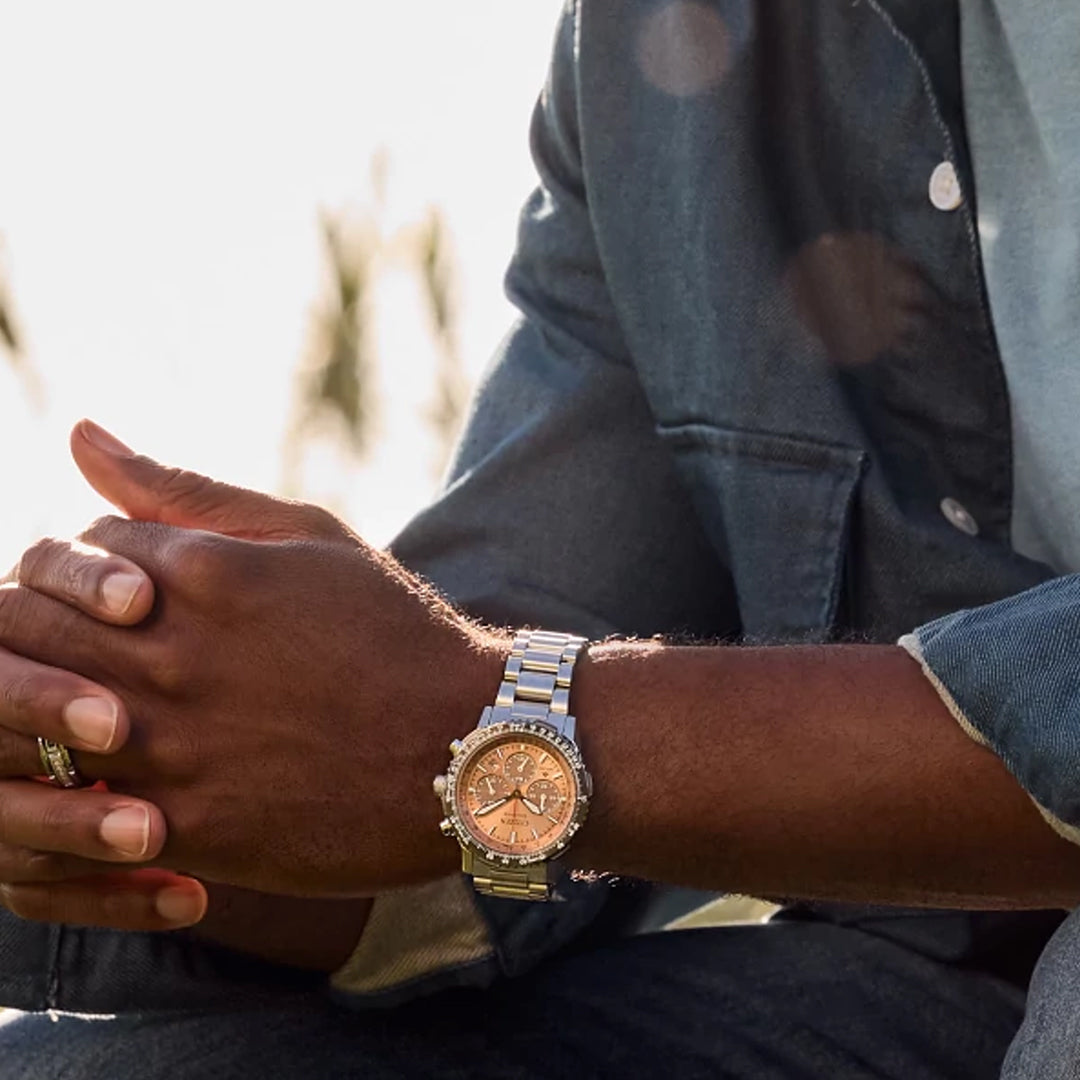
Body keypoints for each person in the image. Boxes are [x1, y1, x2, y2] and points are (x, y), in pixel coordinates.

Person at [1, 0, 1079, 1075]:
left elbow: (475, 720)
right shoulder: (653, 49)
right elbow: (468, 746)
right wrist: (139, 768)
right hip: (910, 995)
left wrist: (477, 724)